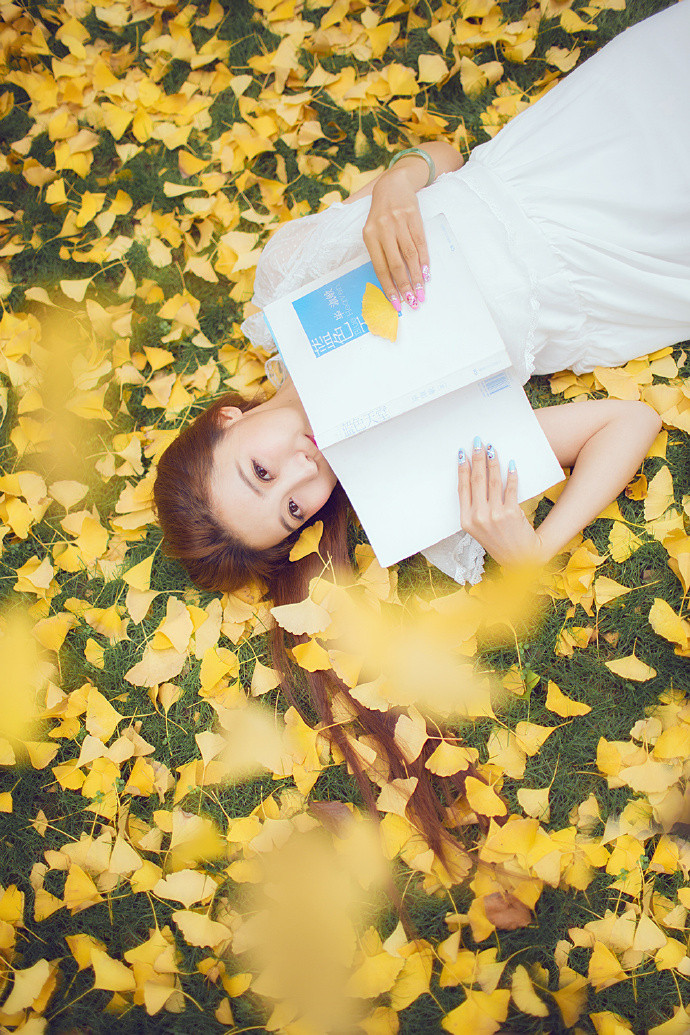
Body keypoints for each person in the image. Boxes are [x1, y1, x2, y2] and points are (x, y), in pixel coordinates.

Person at [153, 2, 689, 861]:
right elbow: (626, 420)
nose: (304, 473)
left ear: (229, 418)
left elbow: (447, 158)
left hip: (555, 160)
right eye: (294, 507)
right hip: (615, 263)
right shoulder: (406, 474)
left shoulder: (291, 285)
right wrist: (535, 547)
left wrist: (396, 186)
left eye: (260, 470)